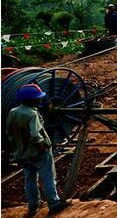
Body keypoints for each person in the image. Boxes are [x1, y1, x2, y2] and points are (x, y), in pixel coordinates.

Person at [6, 84, 69, 216]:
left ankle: (33, 205)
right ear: (31, 100)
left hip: (22, 153)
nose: (40, 100)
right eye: (38, 98)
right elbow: (35, 135)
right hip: (38, 153)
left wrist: (16, 149)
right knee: (48, 178)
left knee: (29, 179)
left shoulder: (13, 112)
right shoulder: (32, 114)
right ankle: (54, 204)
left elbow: (9, 133)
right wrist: (43, 148)